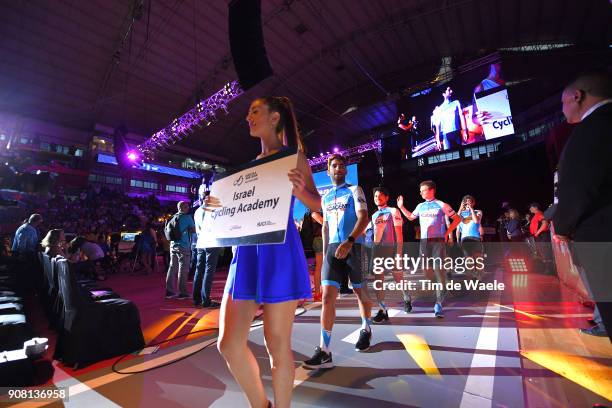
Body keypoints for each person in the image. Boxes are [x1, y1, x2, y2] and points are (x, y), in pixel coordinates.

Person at [212, 96, 320, 408]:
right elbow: (233, 216)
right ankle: (262, 405)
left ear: (274, 118)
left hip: (279, 252)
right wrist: (214, 206)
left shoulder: (293, 158)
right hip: (245, 255)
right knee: (229, 343)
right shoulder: (246, 170)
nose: (247, 117)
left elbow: (318, 208)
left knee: (278, 345)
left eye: (254, 111)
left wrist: (302, 192)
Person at [551, 70, 612, 338]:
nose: (562, 109)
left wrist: (563, 226)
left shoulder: (593, 128)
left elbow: (578, 186)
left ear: (577, 96)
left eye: (563, 102)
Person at [303, 153, 371, 370]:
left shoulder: (355, 190)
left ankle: (366, 329)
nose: (338, 168)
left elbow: (364, 218)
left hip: (355, 246)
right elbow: (325, 228)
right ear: (328, 171)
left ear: (345, 170)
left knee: (361, 292)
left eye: (342, 165)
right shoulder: (325, 197)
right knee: (326, 297)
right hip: (332, 248)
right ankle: (324, 350)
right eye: (335, 166)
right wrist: (324, 256)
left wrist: (350, 241)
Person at [397, 180, 460, 318]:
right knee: (427, 272)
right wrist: (401, 207)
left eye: (423, 190)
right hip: (424, 242)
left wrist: (446, 233)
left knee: (438, 271)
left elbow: (457, 219)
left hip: (438, 242)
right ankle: (441, 285)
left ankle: (438, 303)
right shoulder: (420, 206)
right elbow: (410, 217)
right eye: (420, 190)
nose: (420, 193)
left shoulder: (441, 204)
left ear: (432, 190)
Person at [369, 186, 412, 325]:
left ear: (387, 197)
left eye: (381, 195)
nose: (378, 198)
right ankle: (382, 310)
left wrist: (398, 253)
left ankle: (406, 297)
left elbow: (399, 234)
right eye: (375, 196)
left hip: (392, 250)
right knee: (378, 281)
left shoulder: (394, 211)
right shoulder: (374, 215)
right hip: (378, 251)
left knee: (398, 278)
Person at [193, 189, 221, 308]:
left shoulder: (197, 211)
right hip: (211, 242)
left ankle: (197, 298)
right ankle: (206, 300)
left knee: (199, 270)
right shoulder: (212, 210)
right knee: (209, 271)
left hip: (200, 242)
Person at [165, 201, 195, 300]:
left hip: (173, 245)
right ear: (182, 208)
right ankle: (183, 293)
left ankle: (169, 292)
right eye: (186, 207)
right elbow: (194, 230)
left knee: (172, 267)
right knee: (183, 269)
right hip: (183, 246)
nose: (188, 208)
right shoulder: (187, 217)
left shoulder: (173, 217)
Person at [456, 195, 483, 277]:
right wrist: (457, 240)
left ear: (473, 202)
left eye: (469, 202)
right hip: (465, 239)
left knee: (478, 259)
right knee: (468, 259)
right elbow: (456, 225)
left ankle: (479, 277)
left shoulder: (478, 211)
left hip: (475, 237)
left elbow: (475, 221)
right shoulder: (461, 214)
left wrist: (471, 209)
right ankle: (472, 276)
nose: (467, 203)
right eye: (465, 202)